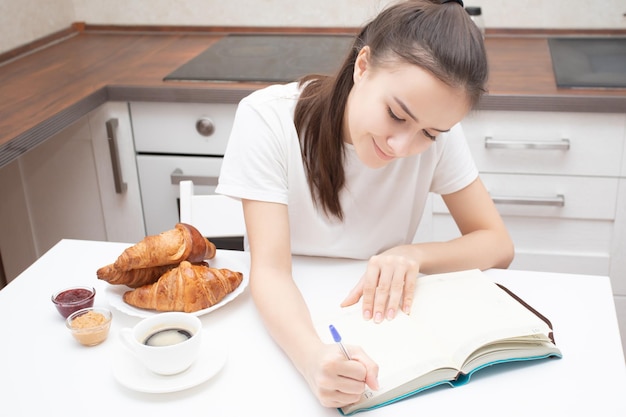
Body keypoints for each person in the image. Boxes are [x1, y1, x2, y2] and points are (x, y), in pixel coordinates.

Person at [216, 0, 514, 409]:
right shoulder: (267, 120)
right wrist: (312, 358)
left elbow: (497, 245)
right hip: (280, 329)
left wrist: (413, 254)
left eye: (428, 133)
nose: (402, 146)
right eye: (395, 114)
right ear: (362, 66)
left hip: (379, 328)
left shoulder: (438, 137)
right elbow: (269, 270)